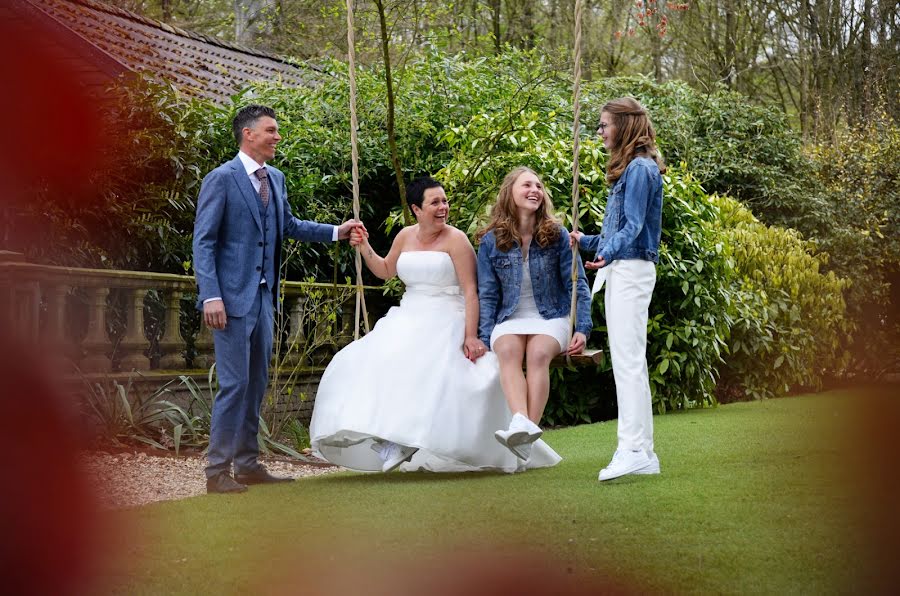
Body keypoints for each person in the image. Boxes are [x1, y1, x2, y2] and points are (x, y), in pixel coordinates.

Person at [309, 177, 561, 473]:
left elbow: (471, 291)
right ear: (416, 208)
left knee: (425, 363)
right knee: (358, 360)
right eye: (435, 203)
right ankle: (389, 441)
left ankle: (404, 442)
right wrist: (364, 246)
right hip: (409, 313)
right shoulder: (405, 236)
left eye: (444, 201)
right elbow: (385, 270)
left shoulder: (456, 239)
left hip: (447, 314)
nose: (443, 208)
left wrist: (471, 336)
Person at [193, 104, 361, 494]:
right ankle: (216, 472)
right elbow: (204, 242)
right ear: (248, 134)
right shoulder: (221, 179)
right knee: (234, 385)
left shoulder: (277, 179)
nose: (277, 137)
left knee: (257, 382)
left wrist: (338, 231)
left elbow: (288, 226)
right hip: (230, 300)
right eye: (271, 130)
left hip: (265, 298)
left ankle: (248, 464)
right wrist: (211, 296)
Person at [570, 96, 665, 481]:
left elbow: (635, 227)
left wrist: (606, 252)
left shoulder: (641, 168)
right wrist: (587, 240)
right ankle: (644, 452)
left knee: (628, 364)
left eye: (605, 124)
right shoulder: (633, 169)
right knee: (630, 363)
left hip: (631, 268)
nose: (601, 131)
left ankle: (632, 449)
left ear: (624, 126)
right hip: (623, 267)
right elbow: (617, 230)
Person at [476, 167, 592, 461]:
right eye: (527, 185)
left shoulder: (557, 235)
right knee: (507, 350)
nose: (535, 190)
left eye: (539, 186)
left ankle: (525, 427)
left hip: (551, 315)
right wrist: (485, 337)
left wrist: (583, 328)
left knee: (538, 354)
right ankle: (522, 427)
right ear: (510, 193)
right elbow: (488, 293)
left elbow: (576, 284)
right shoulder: (492, 241)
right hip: (510, 317)